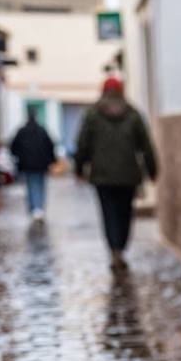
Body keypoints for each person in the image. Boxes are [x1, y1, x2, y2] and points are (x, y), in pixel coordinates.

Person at [73, 77, 158, 271]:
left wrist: (79, 167)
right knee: (125, 212)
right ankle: (122, 247)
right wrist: (152, 169)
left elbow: (83, 143)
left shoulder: (93, 114)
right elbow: (145, 145)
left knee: (109, 212)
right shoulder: (132, 114)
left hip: (102, 176)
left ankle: (114, 249)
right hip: (128, 174)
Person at [10, 106, 57, 222]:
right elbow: (50, 145)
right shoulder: (42, 130)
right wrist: (51, 160)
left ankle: (34, 208)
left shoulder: (22, 131)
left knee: (31, 185)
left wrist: (20, 158)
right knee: (40, 184)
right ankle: (39, 207)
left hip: (28, 164)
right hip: (40, 164)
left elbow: (13, 147)